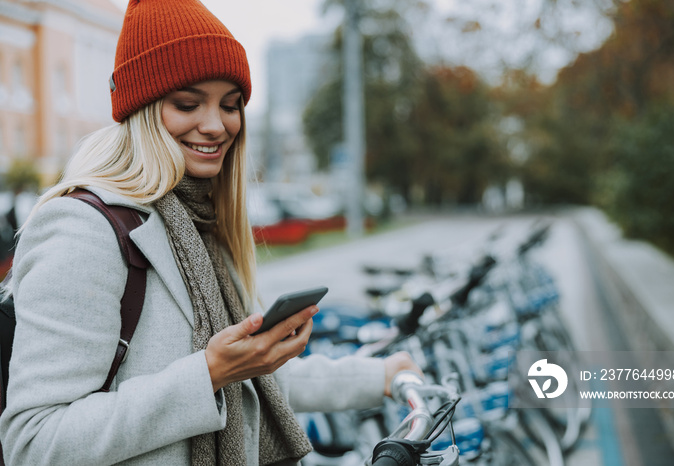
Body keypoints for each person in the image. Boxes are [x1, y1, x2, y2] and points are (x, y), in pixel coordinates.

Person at [0, 0, 421, 464]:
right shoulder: (83, 229)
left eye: (230, 105)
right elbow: (35, 442)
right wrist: (208, 374)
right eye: (187, 103)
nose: (216, 125)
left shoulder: (200, 223)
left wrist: (381, 375)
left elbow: (256, 383)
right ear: (141, 109)